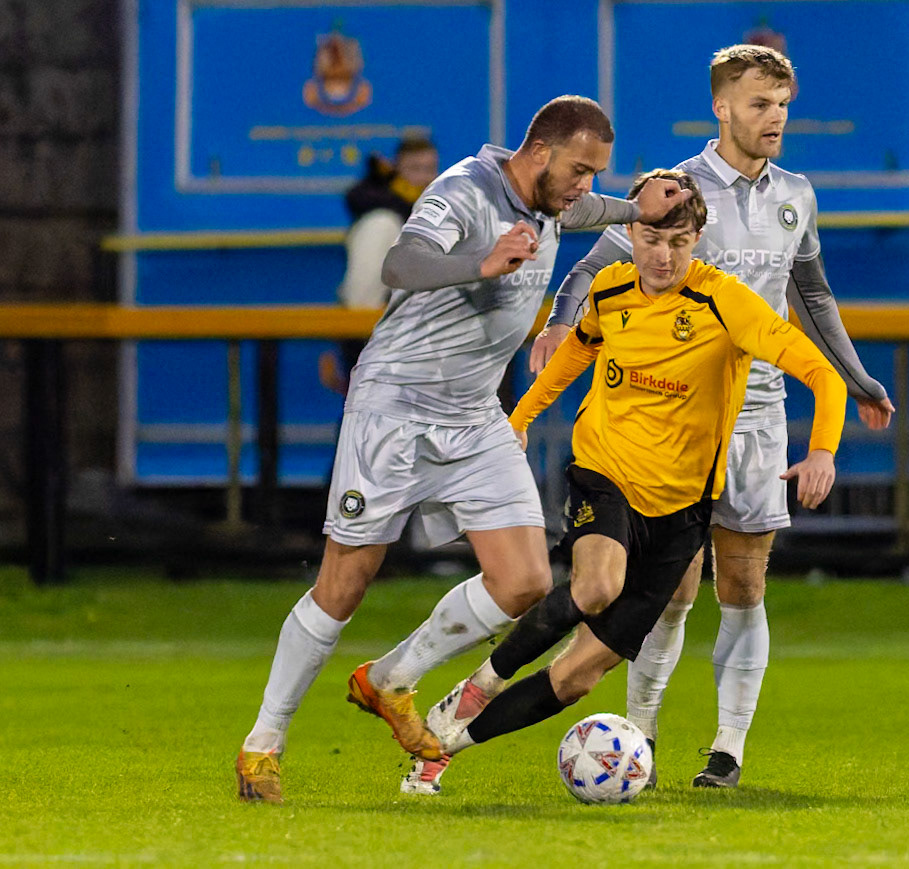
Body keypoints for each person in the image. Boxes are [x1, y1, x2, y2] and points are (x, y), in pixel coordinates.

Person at [235, 95, 691, 803]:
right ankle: (263, 743)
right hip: (394, 408)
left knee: (525, 580)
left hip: (473, 413)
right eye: (579, 170)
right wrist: (480, 263)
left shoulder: (550, 201)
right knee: (344, 583)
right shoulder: (462, 191)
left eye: (594, 173)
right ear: (539, 152)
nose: (583, 185)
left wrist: (636, 208)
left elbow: (581, 212)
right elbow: (402, 263)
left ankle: (388, 679)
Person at [527, 45, 894, 789]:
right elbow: (590, 266)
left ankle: (726, 748)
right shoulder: (673, 190)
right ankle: (643, 735)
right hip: (675, 413)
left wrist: (855, 379)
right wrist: (560, 323)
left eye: (783, 106)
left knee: (745, 582)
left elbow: (812, 296)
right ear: (722, 107)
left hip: (758, 416)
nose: (775, 120)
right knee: (670, 587)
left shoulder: (797, 194)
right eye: (760, 105)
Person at [416, 169, 848, 769]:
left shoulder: (727, 303)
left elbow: (822, 375)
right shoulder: (611, 290)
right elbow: (577, 350)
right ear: (633, 234)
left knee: (577, 678)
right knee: (596, 586)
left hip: (683, 509)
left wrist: (822, 449)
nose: (663, 256)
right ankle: (480, 683)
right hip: (606, 473)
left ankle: (442, 746)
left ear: (697, 238)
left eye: (677, 242)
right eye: (650, 239)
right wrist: (520, 416)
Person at [321, 137, 439, 395]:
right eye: (414, 168)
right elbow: (360, 301)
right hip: (378, 345)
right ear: (398, 170)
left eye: (429, 169)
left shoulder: (442, 209)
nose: (422, 177)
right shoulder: (381, 217)